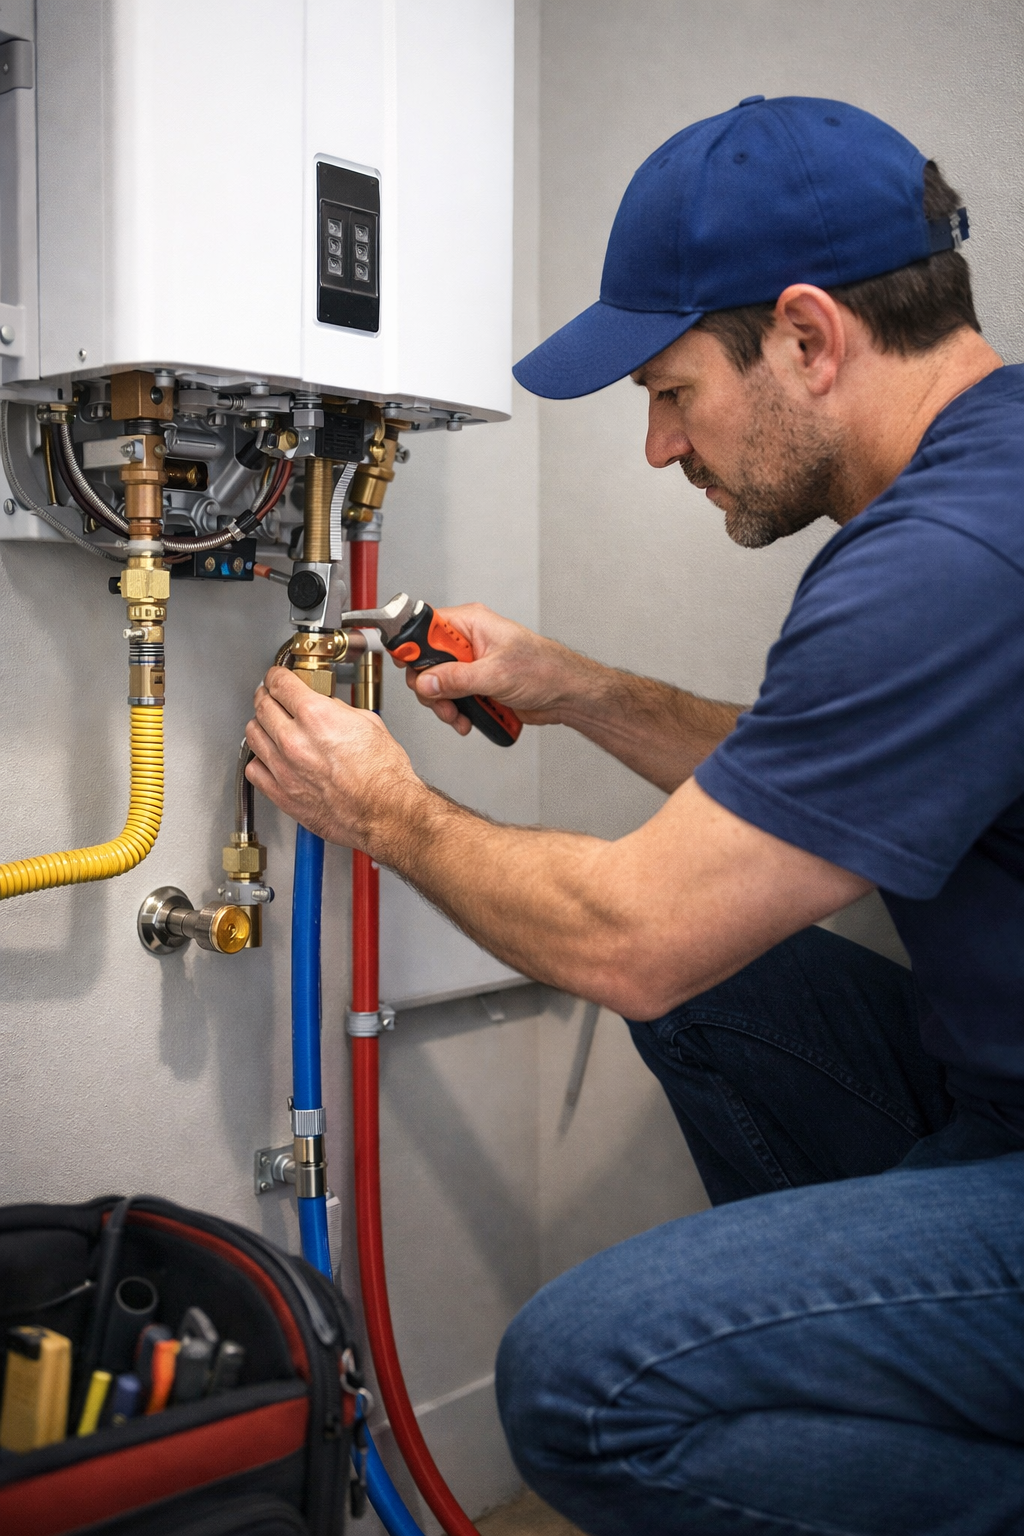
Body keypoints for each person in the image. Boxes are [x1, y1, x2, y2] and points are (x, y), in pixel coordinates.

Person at [246, 96, 1024, 1534]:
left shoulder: (949, 560)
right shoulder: (990, 474)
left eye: (670, 391)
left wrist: (391, 813)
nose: (662, 448)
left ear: (806, 338)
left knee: (578, 1377)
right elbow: (827, 783)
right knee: (728, 990)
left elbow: (633, 943)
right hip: (991, 1102)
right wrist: (577, 690)